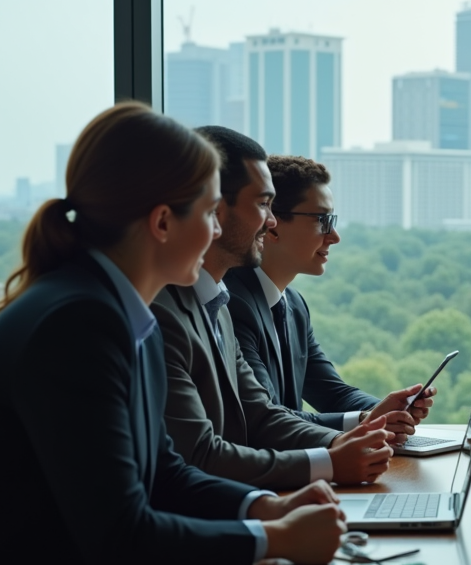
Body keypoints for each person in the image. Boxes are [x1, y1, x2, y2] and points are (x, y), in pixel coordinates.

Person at [0, 104, 347, 565]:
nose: (214, 232)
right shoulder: (77, 323)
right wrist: (272, 539)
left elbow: (165, 471)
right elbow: (122, 538)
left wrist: (264, 507)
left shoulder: (118, 313)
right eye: (209, 213)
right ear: (162, 222)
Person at [152, 126, 396, 489]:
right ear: (214, 211)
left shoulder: (218, 303)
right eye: (264, 205)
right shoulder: (168, 312)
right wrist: (330, 460)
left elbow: (260, 415)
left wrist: (347, 441)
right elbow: (201, 453)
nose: (270, 221)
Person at [225, 154, 435, 446]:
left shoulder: (294, 306)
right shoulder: (231, 305)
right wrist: (367, 420)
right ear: (272, 225)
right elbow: (268, 417)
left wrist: (391, 409)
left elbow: (333, 393)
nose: (334, 236)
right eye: (323, 220)